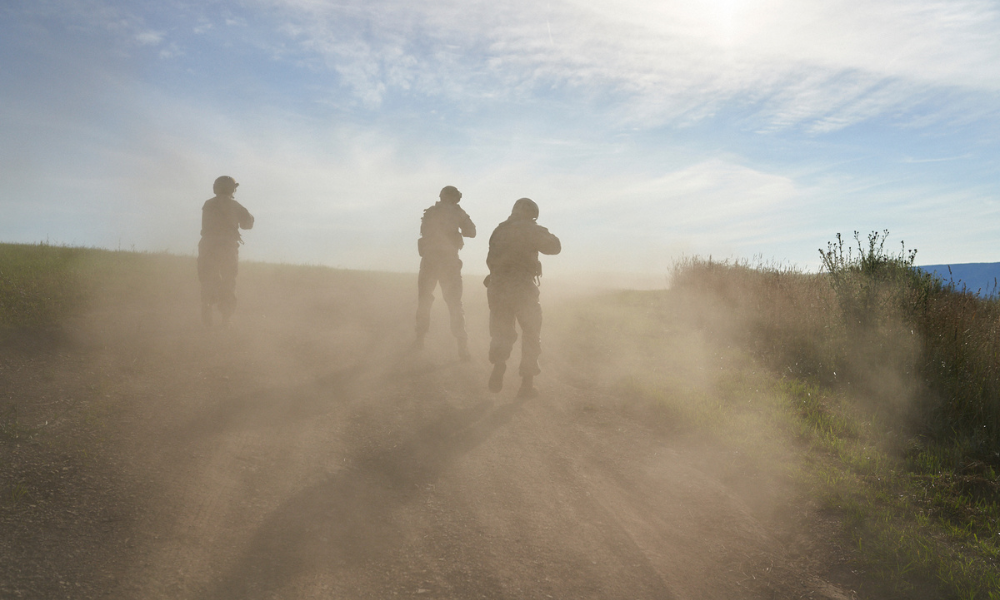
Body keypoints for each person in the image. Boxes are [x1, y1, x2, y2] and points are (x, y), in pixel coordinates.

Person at [485, 198, 561, 398]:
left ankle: (499, 365)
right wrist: (540, 230)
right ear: (532, 214)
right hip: (521, 288)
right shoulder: (531, 229)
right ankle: (527, 384)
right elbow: (554, 247)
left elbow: (490, 258)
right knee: (531, 332)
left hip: (497, 286)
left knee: (502, 330)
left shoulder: (499, 230)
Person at [415, 185, 476, 359]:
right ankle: (462, 346)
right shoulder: (457, 212)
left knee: (424, 301)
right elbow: (472, 232)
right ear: (455, 198)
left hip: (429, 262)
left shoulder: (430, 212)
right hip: (448, 263)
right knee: (455, 304)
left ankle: (420, 339)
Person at [198, 175, 254, 328]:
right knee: (228, 281)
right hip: (227, 247)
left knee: (208, 279)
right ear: (231, 189)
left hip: (207, 246)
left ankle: (207, 308)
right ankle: (226, 318)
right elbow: (247, 224)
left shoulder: (208, 204)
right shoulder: (234, 205)